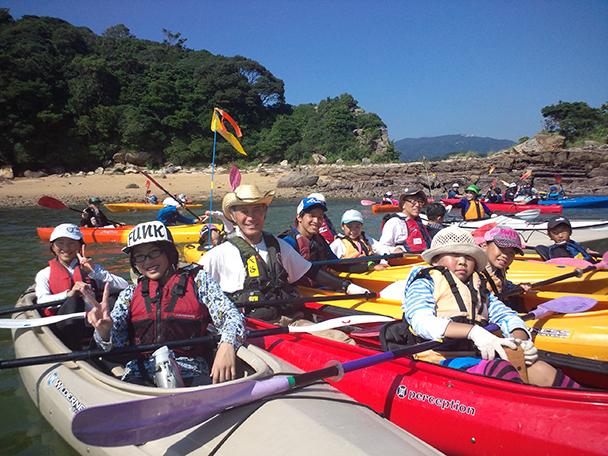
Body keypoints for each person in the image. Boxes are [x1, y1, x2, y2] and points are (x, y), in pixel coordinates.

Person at [397, 226, 579, 388]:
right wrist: (473, 332)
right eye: (454, 255)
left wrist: (520, 339)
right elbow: (421, 321)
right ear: (436, 260)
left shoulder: (478, 287)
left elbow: (505, 315)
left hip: (476, 356)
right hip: (438, 359)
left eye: (468, 257)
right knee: (500, 369)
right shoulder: (425, 282)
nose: (462, 261)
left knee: (540, 369)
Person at [86, 221, 245, 386]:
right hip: (139, 373)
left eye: (154, 252)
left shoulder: (198, 281)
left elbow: (231, 315)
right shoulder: (129, 294)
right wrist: (104, 332)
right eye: (140, 256)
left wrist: (227, 343)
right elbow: (115, 346)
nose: (147, 262)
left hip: (190, 370)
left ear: (168, 253)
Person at [200, 184, 368, 322]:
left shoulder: (279, 247)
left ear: (265, 212)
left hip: (287, 320)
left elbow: (310, 270)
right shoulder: (217, 256)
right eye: (244, 211)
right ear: (234, 216)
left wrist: (348, 287)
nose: (251, 217)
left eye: (257, 210)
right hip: (249, 329)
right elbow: (195, 291)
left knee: (341, 339)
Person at [34, 223, 129, 348]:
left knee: (114, 299)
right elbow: (41, 301)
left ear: (80, 246)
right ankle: (73, 348)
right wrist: (69, 294)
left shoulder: (92, 269)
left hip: (95, 324)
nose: (66, 248)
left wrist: (95, 272)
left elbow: (124, 285)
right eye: (60, 243)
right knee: (74, 301)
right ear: (53, 247)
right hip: (66, 327)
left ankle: (105, 341)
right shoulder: (44, 274)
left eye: (71, 243)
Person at [280, 196, 374, 277]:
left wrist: (369, 267)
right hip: (299, 292)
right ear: (299, 217)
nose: (316, 221)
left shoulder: (318, 240)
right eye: (312, 216)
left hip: (319, 287)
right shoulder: (288, 242)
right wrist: (344, 286)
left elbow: (337, 264)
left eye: (320, 217)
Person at [475, 226, 532, 304]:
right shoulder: (476, 273)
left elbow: (502, 284)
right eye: (502, 249)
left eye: (511, 252)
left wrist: (516, 288)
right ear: (485, 245)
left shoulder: (497, 269)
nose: (505, 255)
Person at [379, 188, 432, 253]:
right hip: (404, 260)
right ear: (403, 204)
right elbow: (382, 247)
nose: (417, 205)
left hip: (424, 259)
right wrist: (395, 250)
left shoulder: (423, 222)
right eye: (413, 201)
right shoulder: (394, 222)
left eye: (420, 201)